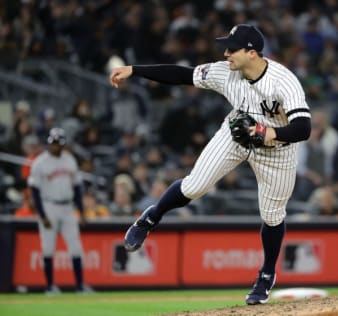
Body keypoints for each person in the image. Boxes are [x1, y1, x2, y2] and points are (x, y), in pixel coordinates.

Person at [109, 24, 311, 305]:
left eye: (232, 48)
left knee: (273, 215)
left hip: (277, 151)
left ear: (251, 52)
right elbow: (181, 75)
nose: (226, 52)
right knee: (194, 186)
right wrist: (135, 69)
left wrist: (270, 133)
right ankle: (150, 218)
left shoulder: (282, 81)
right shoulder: (225, 72)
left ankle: (266, 274)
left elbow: (303, 128)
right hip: (236, 134)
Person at [28, 127, 93, 294]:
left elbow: (78, 187)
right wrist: (42, 215)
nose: (55, 146)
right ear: (49, 143)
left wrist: (82, 211)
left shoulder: (69, 160)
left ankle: (79, 286)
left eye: (58, 143)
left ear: (63, 145)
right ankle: (50, 286)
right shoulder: (40, 162)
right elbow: (34, 190)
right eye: (53, 143)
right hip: (49, 206)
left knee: (76, 247)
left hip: (67, 207)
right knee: (48, 248)